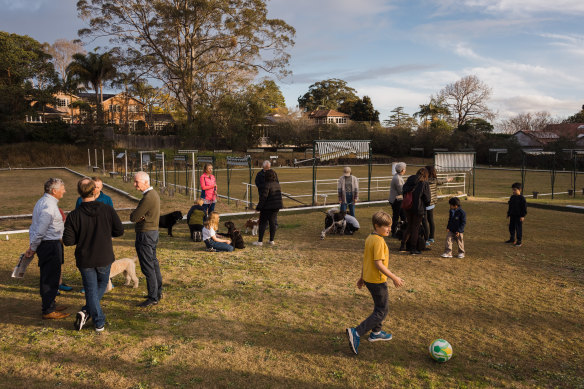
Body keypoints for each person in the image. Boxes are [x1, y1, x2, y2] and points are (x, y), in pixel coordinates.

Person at [63, 178, 124, 332]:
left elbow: (68, 241)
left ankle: (87, 311)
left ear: (79, 192)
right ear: (94, 190)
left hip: (85, 258)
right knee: (101, 285)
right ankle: (98, 321)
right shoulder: (107, 209)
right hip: (103, 256)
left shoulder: (74, 215)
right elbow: (119, 231)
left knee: (92, 289)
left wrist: (82, 236)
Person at [346, 211, 405, 355]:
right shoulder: (378, 241)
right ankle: (357, 332)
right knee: (382, 310)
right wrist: (394, 277)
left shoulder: (370, 238)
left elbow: (366, 260)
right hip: (377, 281)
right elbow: (378, 264)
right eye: (386, 227)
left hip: (369, 278)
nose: (389, 230)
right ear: (377, 226)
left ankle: (376, 333)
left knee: (380, 307)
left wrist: (362, 277)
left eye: (390, 227)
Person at [25, 178, 70, 320]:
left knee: (51, 276)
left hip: (49, 244)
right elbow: (40, 230)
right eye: (62, 188)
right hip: (49, 245)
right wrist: (32, 247)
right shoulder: (48, 207)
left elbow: (35, 228)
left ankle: (50, 304)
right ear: (54, 191)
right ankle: (48, 310)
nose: (64, 191)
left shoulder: (44, 202)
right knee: (50, 277)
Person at [75, 177, 114, 294]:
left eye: (98, 187)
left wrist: (110, 233)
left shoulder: (107, 199)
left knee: (104, 260)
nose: (96, 189)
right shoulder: (80, 200)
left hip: (103, 236)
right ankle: (88, 284)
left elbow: (112, 217)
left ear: (101, 187)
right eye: (94, 186)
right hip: (87, 237)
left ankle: (107, 281)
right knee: (89, 261)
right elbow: (77, 216)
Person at [130, 171, 162, 308]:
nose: (134, 184)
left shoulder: (148, 197)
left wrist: (138, 216)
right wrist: (139, 216)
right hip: (152, 233)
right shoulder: (153, 195)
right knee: (153, 263)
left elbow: (133, 217)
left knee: (148, 266)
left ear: (145, 182)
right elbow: (138, 216)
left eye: (137, 182)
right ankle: (157, 293)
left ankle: (153, 297)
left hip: (146, 235)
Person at [399, 168, 431, 255]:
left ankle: (403, 245)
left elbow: (404, 190)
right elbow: (427, 198)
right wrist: (425, 204)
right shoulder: (424, 183)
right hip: (418, 208)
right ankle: (413, 248)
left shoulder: (410, 179)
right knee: (415, 228)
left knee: (409, 226)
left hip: (407, 206)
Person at [422, 165, 453, 246]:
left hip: (424, 203)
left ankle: (426, 239)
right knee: (431, 220)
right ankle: (431, 237)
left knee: (424, 221)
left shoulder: (423, 180)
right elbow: (441, 181)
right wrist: (447, 180)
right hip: (432, 203)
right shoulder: (435, 180)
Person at [254, 169, 283, 246]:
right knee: (272, 223)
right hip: (276, 207)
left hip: (267, 208)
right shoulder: (277, 184)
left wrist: (258, 208)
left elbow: (263, 198)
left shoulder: (265, 185)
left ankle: (260, 241)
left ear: (266, 176)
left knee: (263, 223)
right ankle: (271, 240)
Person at [388, 162, 406, 238]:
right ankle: (394, 232)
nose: (405, 170)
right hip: (397, 200)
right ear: (402, 170)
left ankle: (402, 231)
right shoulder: (397, 178)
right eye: (404, 169)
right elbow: (401, 191)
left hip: (397, 200)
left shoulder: (397, 176)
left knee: (403, 216)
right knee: (396, 216)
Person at [506, 182, 527, 247]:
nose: (513, 191)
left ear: (520, 190)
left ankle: (519, 241)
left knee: (518, 228)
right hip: (512, 215)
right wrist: (508, 214)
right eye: (513, 190)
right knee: (511, 227)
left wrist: (522, 216)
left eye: (515, 190)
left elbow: (524, 208)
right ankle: (512, 238)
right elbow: (510, 206)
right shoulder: (512, 197)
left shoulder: (522, 198)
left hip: (518, 216)